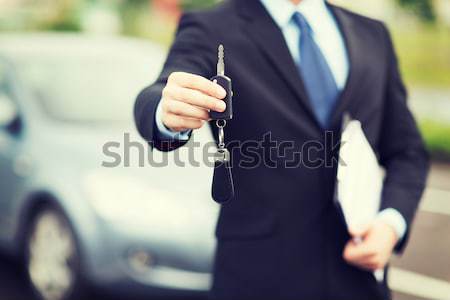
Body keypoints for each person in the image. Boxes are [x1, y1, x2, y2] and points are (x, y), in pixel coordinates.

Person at [134, 0, 429, 299]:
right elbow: (156, 95)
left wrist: (391, 224)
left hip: (359, 280)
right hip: (258, 277)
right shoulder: (211, 27)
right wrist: (165, 112)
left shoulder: (373, 33)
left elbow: (408, 152)